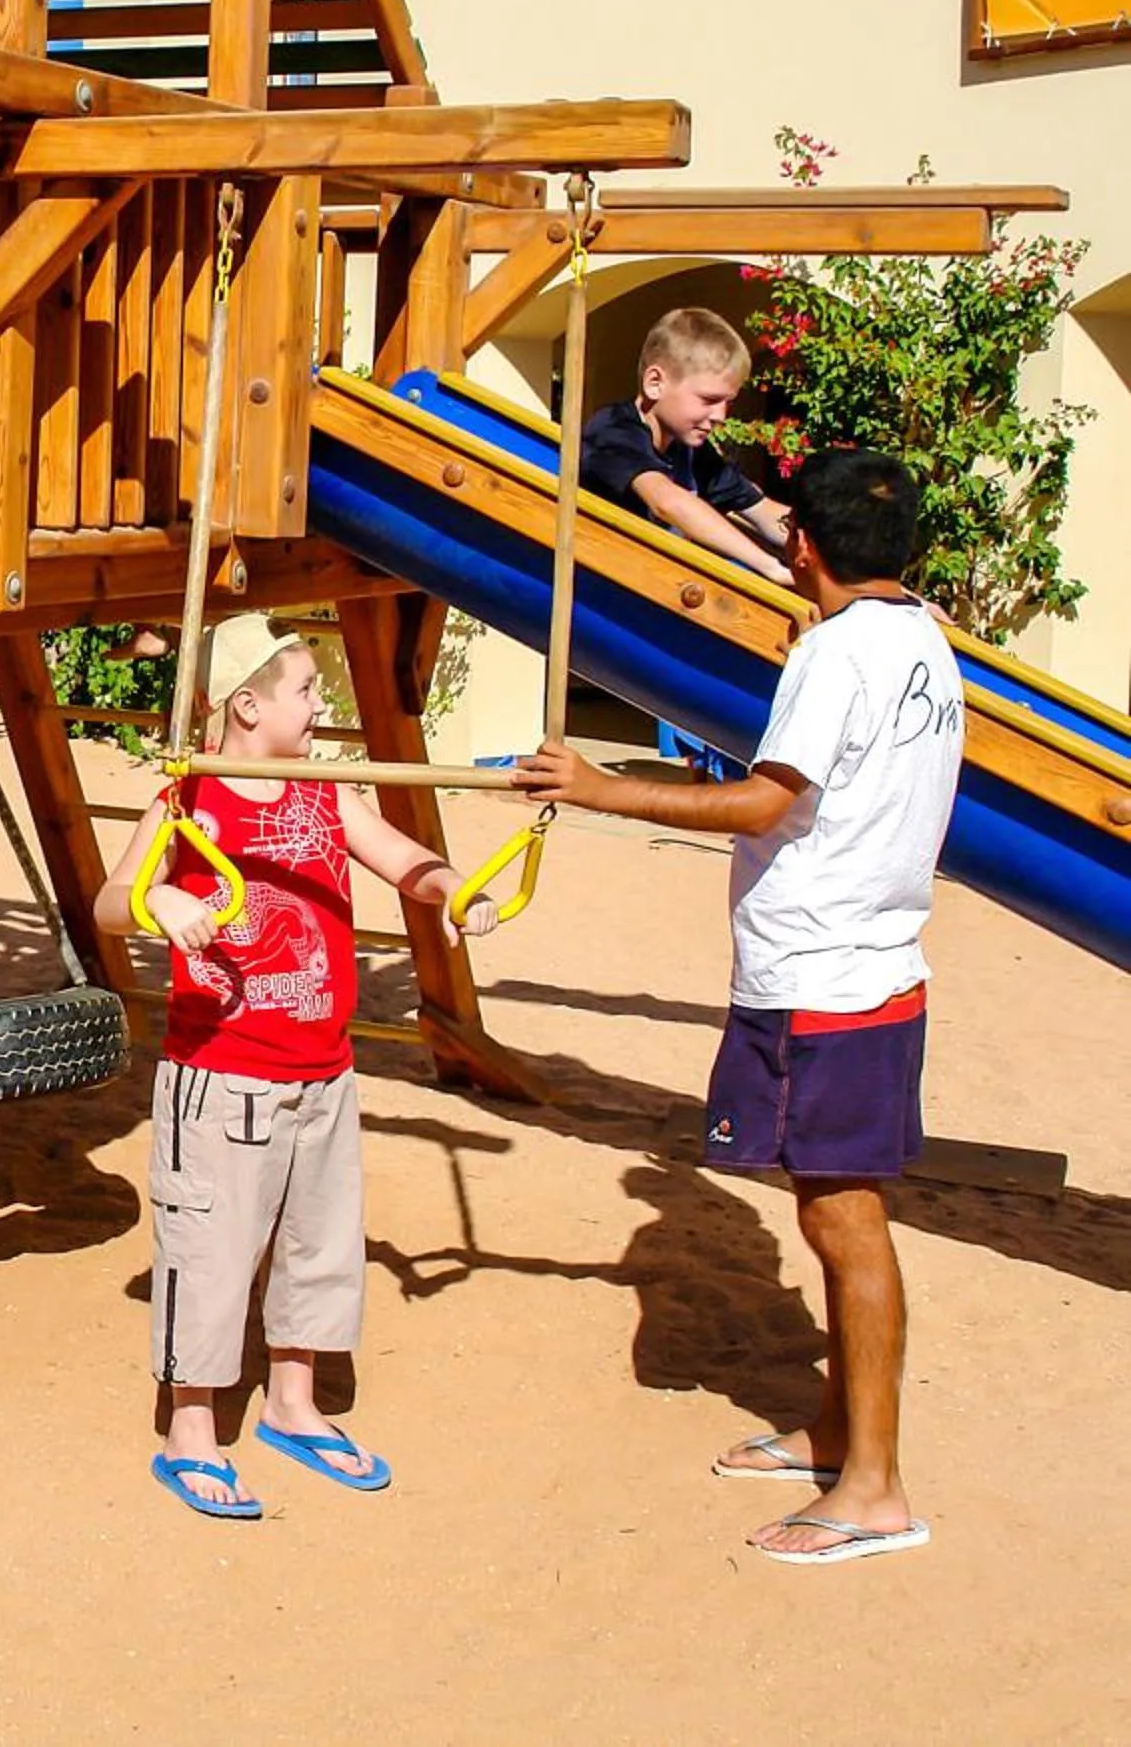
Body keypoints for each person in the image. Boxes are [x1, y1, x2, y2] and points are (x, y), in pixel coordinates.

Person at [519, 449, 958, 1567]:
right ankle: (842, 1433)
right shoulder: (926, 637)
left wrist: (600, 786)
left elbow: (769, 797)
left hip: (829, 974)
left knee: (842, 1217)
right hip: (860, 962)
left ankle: (875, 1488)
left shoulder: (834, 652)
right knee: (827, 1207)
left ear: (800, 546)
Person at [95, 612, 497, 1520]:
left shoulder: (323, 791)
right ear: (247, 707)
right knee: (212, 1245)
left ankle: (292, 1401)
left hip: (322, 1068)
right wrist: (157, 896)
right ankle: (190, 1428)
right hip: (224, 1072)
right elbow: (109, 902)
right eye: (307, 692)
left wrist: (455, 892)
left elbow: (402, 860)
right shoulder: (188, 802)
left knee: (320, 1241)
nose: (323, 705)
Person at [582, 306, 794, 586]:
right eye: (708, 400)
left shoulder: (690, 451)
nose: (721, 416)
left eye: (727, 402)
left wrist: (828, 544)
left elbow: (761, 510)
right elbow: (667, 502)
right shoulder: (613, 431)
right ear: (655, 383)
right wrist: (771, 567)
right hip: (604, 582)